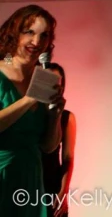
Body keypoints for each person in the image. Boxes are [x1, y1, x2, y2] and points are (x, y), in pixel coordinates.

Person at [0, 5, 65, 217]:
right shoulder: (2, 68)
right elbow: (7, 59)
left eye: (44, 35)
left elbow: (48, 147)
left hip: (30, 178)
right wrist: (29, 99)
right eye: (29, 32)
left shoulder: (44, 77)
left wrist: (54, 117)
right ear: (14, 32)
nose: (37, 42)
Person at [41, 63, 76, 217]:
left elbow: (68, 157)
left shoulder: (66, 117)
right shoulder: (28, 113)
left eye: (57, 82)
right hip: (26, 177)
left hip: (51, 183)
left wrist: (63, 192)